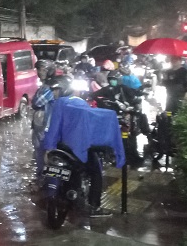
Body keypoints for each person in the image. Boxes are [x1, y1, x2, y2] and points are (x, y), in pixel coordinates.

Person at [42, 75, 124, 218]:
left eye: (55, 90)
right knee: (96, 172)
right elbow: (90, 126)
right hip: (79, 148)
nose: (54, 93)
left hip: (62, 147)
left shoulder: (58, 103)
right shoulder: (80, 103)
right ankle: (94, 207)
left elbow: (53, 128)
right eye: (53, 90)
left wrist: (49, 148)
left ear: (63, 89)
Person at [31, 62, 63, 180]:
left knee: (42, 151)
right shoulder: (47, 85)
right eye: (39, 70)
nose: (40, 72)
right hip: (42, 123)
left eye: (43, 70)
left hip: (45, 124)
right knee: (40, 151)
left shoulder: (50, 86)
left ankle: (43, 177)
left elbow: (37, 102)